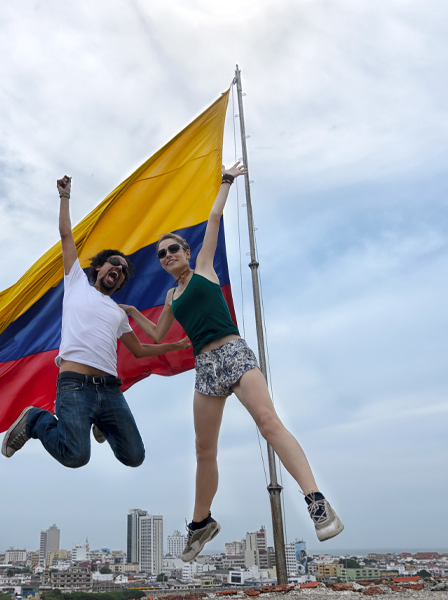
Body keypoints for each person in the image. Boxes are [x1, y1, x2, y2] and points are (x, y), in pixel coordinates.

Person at [119, 162, 344, 562]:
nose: (168, 255)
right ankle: (201, 523)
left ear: (186, 253)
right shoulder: (171, 298)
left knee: (268, 422)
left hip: (233, 351)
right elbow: (156, 337)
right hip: (205, 366)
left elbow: (214, 217)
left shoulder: (203, 267)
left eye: (173, 249)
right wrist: (133, 314)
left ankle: (317, 502)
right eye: (161, 254)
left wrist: (226, 181)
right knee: (204, 449)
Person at [1, 175, 190, 468]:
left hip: (110, 390)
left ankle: (102, 422)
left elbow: (139, 349)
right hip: (74, 386)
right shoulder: (76, 282)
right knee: (76, 456)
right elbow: (66, 235)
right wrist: (65, 197)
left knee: (134, 456)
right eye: (114, 263)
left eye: (124, 271)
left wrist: (174, 344)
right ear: (99, 267)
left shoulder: (117, 313)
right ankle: (36, 419)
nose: (118, 269)